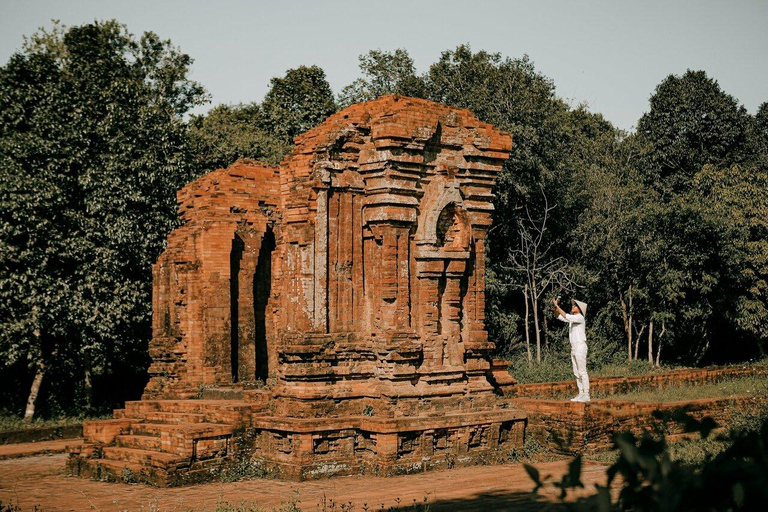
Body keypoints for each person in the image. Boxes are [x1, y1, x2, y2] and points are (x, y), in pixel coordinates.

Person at [552, 298, 590, 402]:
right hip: (574, 347)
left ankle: (586, 394)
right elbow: (559, 316)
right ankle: (581, 393)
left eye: (575, 306)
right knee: (576, 372)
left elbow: (565, 315)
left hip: (580, 346)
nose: (572, 307)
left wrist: (557, 306)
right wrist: (555, 307)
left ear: (580, 309)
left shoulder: (579, 318)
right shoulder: (573, 319)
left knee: (582, 371)